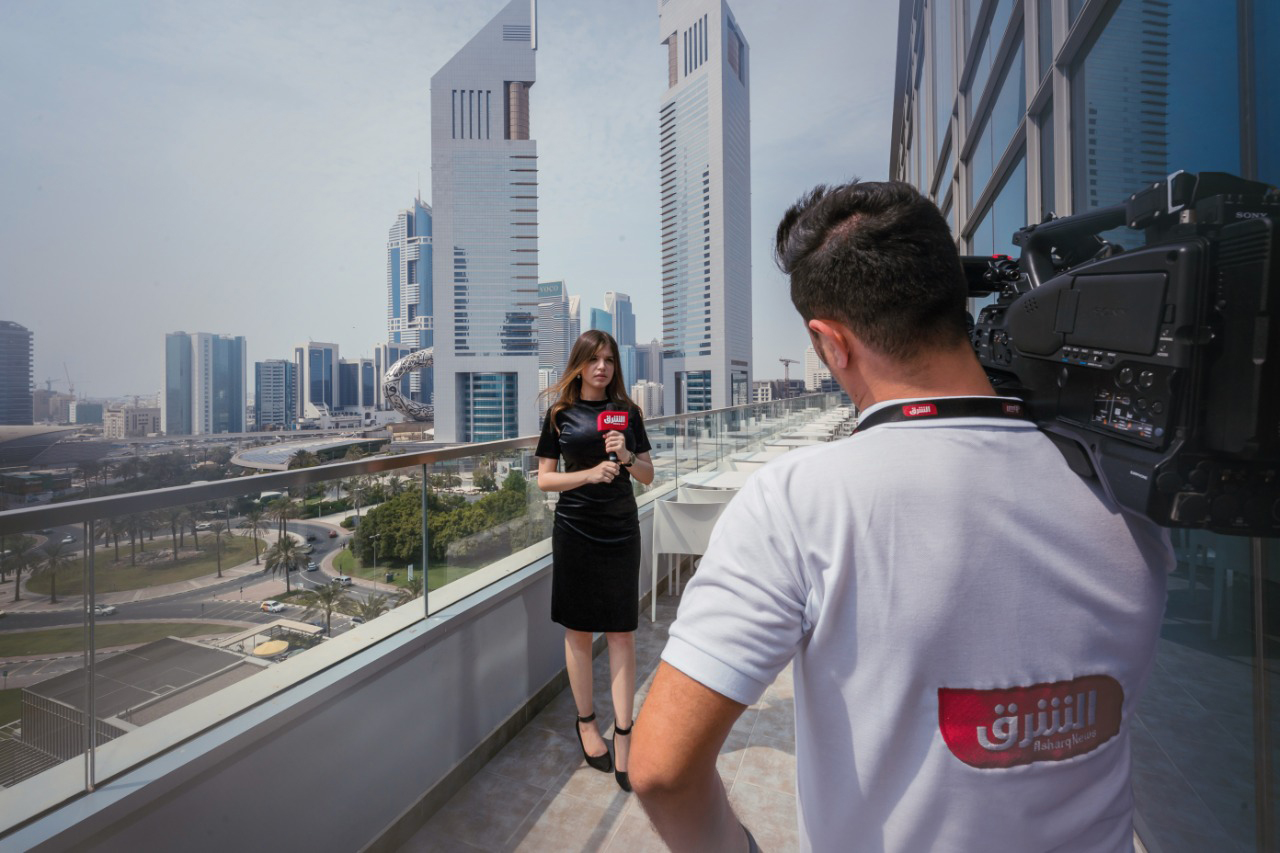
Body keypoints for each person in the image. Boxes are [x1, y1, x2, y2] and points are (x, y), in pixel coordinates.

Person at [630, 180, 1173, 851]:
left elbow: (661, 769)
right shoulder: (1127, 486)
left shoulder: (798, 503)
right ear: (954, 299)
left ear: (830, 342)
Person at [535, 329, 655, 792]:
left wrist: (625, 456)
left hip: (621, 529)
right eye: (593, 359)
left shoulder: (629, 412)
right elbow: (545, 480)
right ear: (579, 365)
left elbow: (647, 475)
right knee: (579, 631)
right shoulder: (559, 415)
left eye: (609, 359)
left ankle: (624, 731)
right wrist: (588, 474)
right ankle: (586, 722)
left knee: (622, 632)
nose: (602, 367)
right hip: (575, 531)